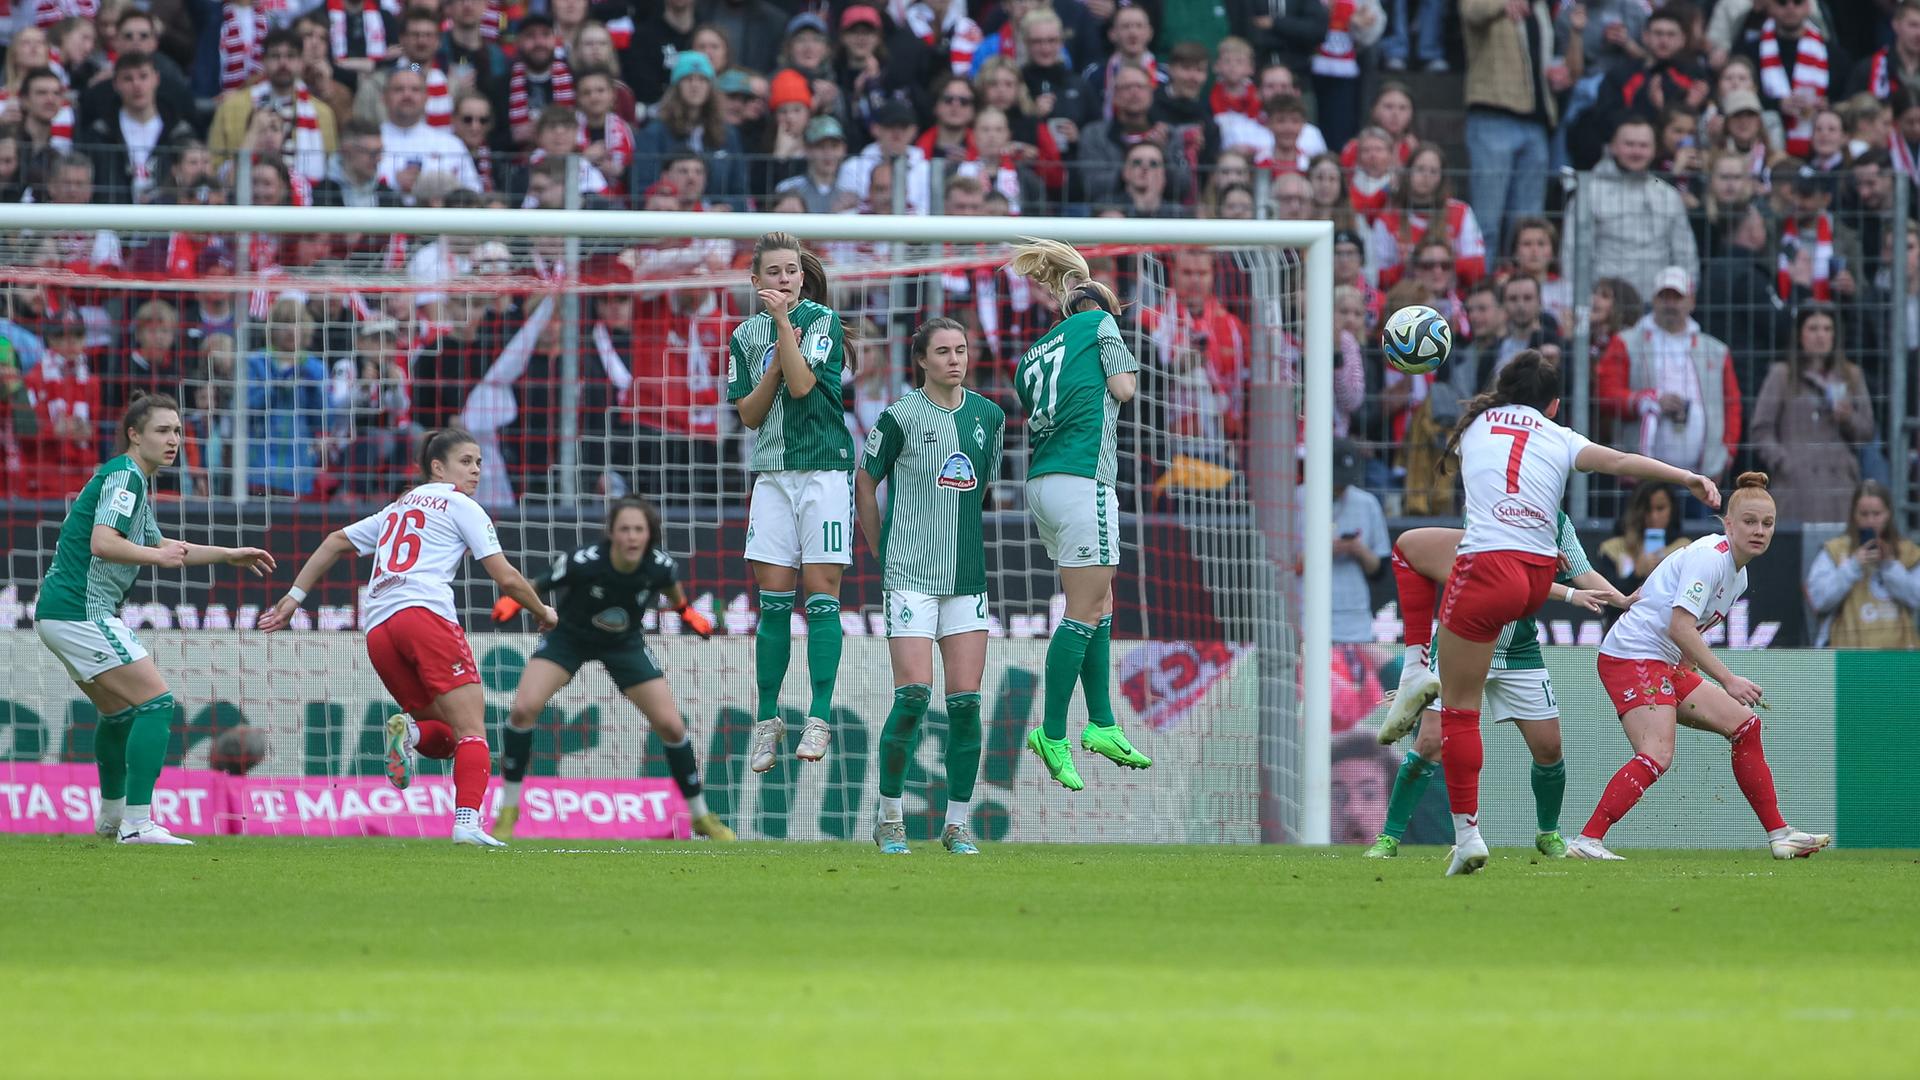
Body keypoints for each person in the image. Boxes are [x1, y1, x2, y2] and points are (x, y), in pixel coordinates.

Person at [1426, 349, 1720, 875]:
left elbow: (1448, 458)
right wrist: (1688, 478)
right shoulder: (1560, 436)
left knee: (1457, 705)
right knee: (1519, 723)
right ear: (1555, 405)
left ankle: (1467, 831)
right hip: (1540, 575)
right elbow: (1624, 462)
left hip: (1486, 570)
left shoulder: (1472, 426)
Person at [259, 428, 558, 848]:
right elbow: (505, 576)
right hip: (425, 618)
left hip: (379, 628)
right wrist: (544, 613)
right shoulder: (461, 505)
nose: (475, 470)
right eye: (466, 461)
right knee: (474, 730)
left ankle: (410, 736)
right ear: (438, 467)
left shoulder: (398, 507)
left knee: (446, 735)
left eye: (478, 462)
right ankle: (468, 824)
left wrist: (294, 597)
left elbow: (333, 541)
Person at [34, 393, 275, 845]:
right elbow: (104, 543)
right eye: (163, 431)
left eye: (179, 431)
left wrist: (227, 554)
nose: (174, 440)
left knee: (119, 712)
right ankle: (138, 823)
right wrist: (157, 557)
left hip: (59, 613)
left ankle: (111, 818)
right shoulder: (125, 476)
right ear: (134, 434)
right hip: (79, 610)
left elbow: (162, 543)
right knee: (157, 703)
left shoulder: (134, 482)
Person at [1571, 473, 1833, 861]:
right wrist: (1727, 680)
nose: (1759, 531)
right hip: (1631, 655)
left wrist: (1691, 672)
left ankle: (1780, 835)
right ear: (1728, 523)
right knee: (1657, 753)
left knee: (1745, 725)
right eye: (1749, 521)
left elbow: (1688, 635)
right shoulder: (1711, 558)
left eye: (1767, 523)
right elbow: (1679, 626)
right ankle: (1587, 841)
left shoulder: (1738, 576)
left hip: (1661, 661)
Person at [1368, 512, 1626, 859]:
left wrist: (1621, 599)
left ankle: (1548, 834)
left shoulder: (1556, 521)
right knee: (1430, 742)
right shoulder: (1489, 512)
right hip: (1462, 641)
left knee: (1549, 747)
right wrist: (1568, 595)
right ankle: (1389, 838)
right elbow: (1504, 577)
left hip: (1518, 650)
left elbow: (1583, 573)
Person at [488, 496, 733, 841]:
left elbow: (673, 593)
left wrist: (687, 613)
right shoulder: (584, 562)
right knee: (523, 709)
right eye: (624, 529)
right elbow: (542, 582)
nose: (632, 537)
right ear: (612, 534)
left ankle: (700, 816)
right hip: (569, 640)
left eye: (638, 530)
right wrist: (515, 600)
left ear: (650, 534)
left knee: (671, 725)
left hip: (624, 644)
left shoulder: (660, 565)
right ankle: (508, 809)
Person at [855, 317, 1006, 856]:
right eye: (942, 351)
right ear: (921, 360)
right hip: (911, 574)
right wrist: (880, 550)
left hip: (966, 578)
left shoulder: (990, 416)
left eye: (961, 350)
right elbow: (866, 481)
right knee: (914, 695)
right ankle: (890, 816)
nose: (954, 359)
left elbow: (980, 487)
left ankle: (957, 824)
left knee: (965, 703)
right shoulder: (898, 416)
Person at [1007, 239, 1153, 791]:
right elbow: (1124, 387)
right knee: (1083, 609)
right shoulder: (1101, 326)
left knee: (1098, 603)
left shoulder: (1033, 353)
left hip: (1042, 482)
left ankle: (1103, 722)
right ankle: (1051, 731)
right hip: (1083, 478)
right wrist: (1115, 351)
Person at [728, 233, 855, 774]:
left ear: (803, 277)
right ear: (756, 282)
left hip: (823, 470)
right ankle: (767, 717)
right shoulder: (742, 335)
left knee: (823, 593)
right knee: (773, 598)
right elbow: (750, 416)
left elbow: (803, 388)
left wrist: (785, 330)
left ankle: (820, 715)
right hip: (773, 476)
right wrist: (776, 361)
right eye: (772, 272)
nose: (783, 279)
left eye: (791, 271)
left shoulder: (821, 320)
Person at [1750, 304, 1872, 524]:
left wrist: (1848, 418)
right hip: (1796, 486)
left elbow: (1867, 432)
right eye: (1813, 329)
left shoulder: (1852, 375)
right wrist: (1784, 463)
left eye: (1827, 329)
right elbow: (1761, 430)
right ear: (1800, 335)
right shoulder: (1782, 375)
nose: (1821, 336)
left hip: (1839, 485)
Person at [1806, 480, 1920, 649]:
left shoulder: (1907, 552)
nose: (1870, 521)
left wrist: (1890, 566)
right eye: (1864, 514)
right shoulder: (1835, 550)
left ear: (1888, 514)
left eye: (1876, 514)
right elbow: (1819, 600)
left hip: (1899, 656)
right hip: (1847, 655)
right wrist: (1853, 565)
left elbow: (1916, 598)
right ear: (1854, 515)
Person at [1597, 481, 1690, 601]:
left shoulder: (1684, 548)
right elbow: (1607, 600)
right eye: (1647, 510)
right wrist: (1636, 574)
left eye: (1660, 508)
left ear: (1672, 510)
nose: (1654, 516)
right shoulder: (1613, 548)